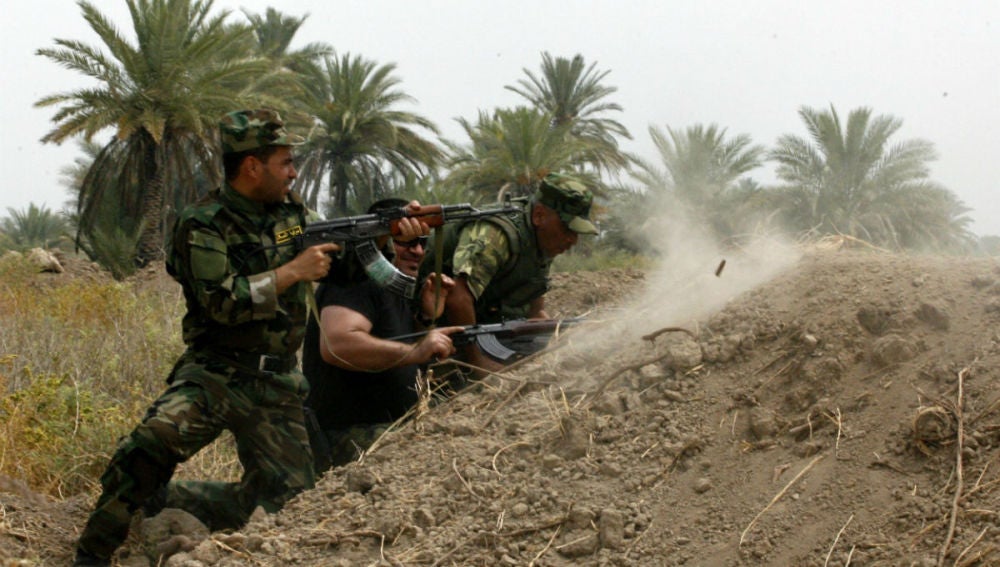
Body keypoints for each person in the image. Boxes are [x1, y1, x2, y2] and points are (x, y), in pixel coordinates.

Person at [73, 109, 351, 566]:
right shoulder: (203, 223)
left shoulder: (296, 214)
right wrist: (290, 272)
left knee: (294, 503)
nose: (294, 173)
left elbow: (340, 260)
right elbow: (219, 303)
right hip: (216, 373)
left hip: (276, 384)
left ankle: (177, 501)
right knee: (149, 446)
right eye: (285, 162)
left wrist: (387, 236)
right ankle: (92, 553)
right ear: (251, 166)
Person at [302, 198, 462, 472]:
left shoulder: (396, 286)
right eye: (407, 241)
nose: (418, 251)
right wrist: (417, 349)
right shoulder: (355, 281)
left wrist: (425, 317)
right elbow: (337, 344)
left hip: (389, 426)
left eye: (423, 242)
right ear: (383, 241)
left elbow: (403, 353)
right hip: (348, 436)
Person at [419, 172, 598, 372]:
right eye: (567, 229)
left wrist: (561, 339)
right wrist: (477, 364)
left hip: (480, 327)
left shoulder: (543, 241)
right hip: (427, 331)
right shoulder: (496, 234)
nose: (572, 240)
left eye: (576, 233)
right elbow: (458, 297)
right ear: (539, 215)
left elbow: (535, 310)